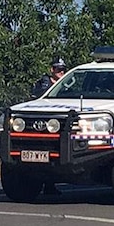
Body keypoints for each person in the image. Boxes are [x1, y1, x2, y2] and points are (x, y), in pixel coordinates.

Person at [32, 57, 68, 196]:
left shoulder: (66, 84)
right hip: (42, 124)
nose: (61, 72)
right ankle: (45, 185)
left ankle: (50, 186)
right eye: (58, 69)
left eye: (63, 70)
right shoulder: (43, 84)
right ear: (52, 70)